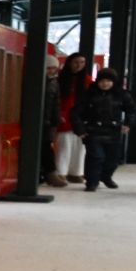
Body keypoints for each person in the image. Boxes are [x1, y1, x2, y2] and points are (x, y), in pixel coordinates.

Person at [73, 68, 136, 191]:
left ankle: (106, 177)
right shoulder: (89, 94)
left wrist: (128, 124)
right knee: (96, 157)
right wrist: (80, 130)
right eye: (102, 81)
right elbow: (76, 113)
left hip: (114, 131)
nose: (105, 84)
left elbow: (132, 110)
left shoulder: (121, 94)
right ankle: (92, 182)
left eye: (108, 81)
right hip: (93, 130)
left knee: (113, 158)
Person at [53, 52, 93, 183]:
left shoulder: (87, 80)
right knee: (64, 145)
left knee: (79, 146)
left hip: (81, 117)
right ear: (70, 63)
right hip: (64, 115)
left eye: (82, 62)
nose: (79, 65)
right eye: (76, 62)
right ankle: (61, 172)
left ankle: (76, 172)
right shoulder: (60, 78)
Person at [42, 55, 64, 187]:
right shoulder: (50, 82)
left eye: (54, 68)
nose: (51, 71)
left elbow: (56, 103)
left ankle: (49, 173)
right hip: (44, 121)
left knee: (47, 147)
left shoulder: (54, 82)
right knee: (46, 148)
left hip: (49, 122)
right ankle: (50, 174)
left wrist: (56, 119)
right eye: (49, 68)